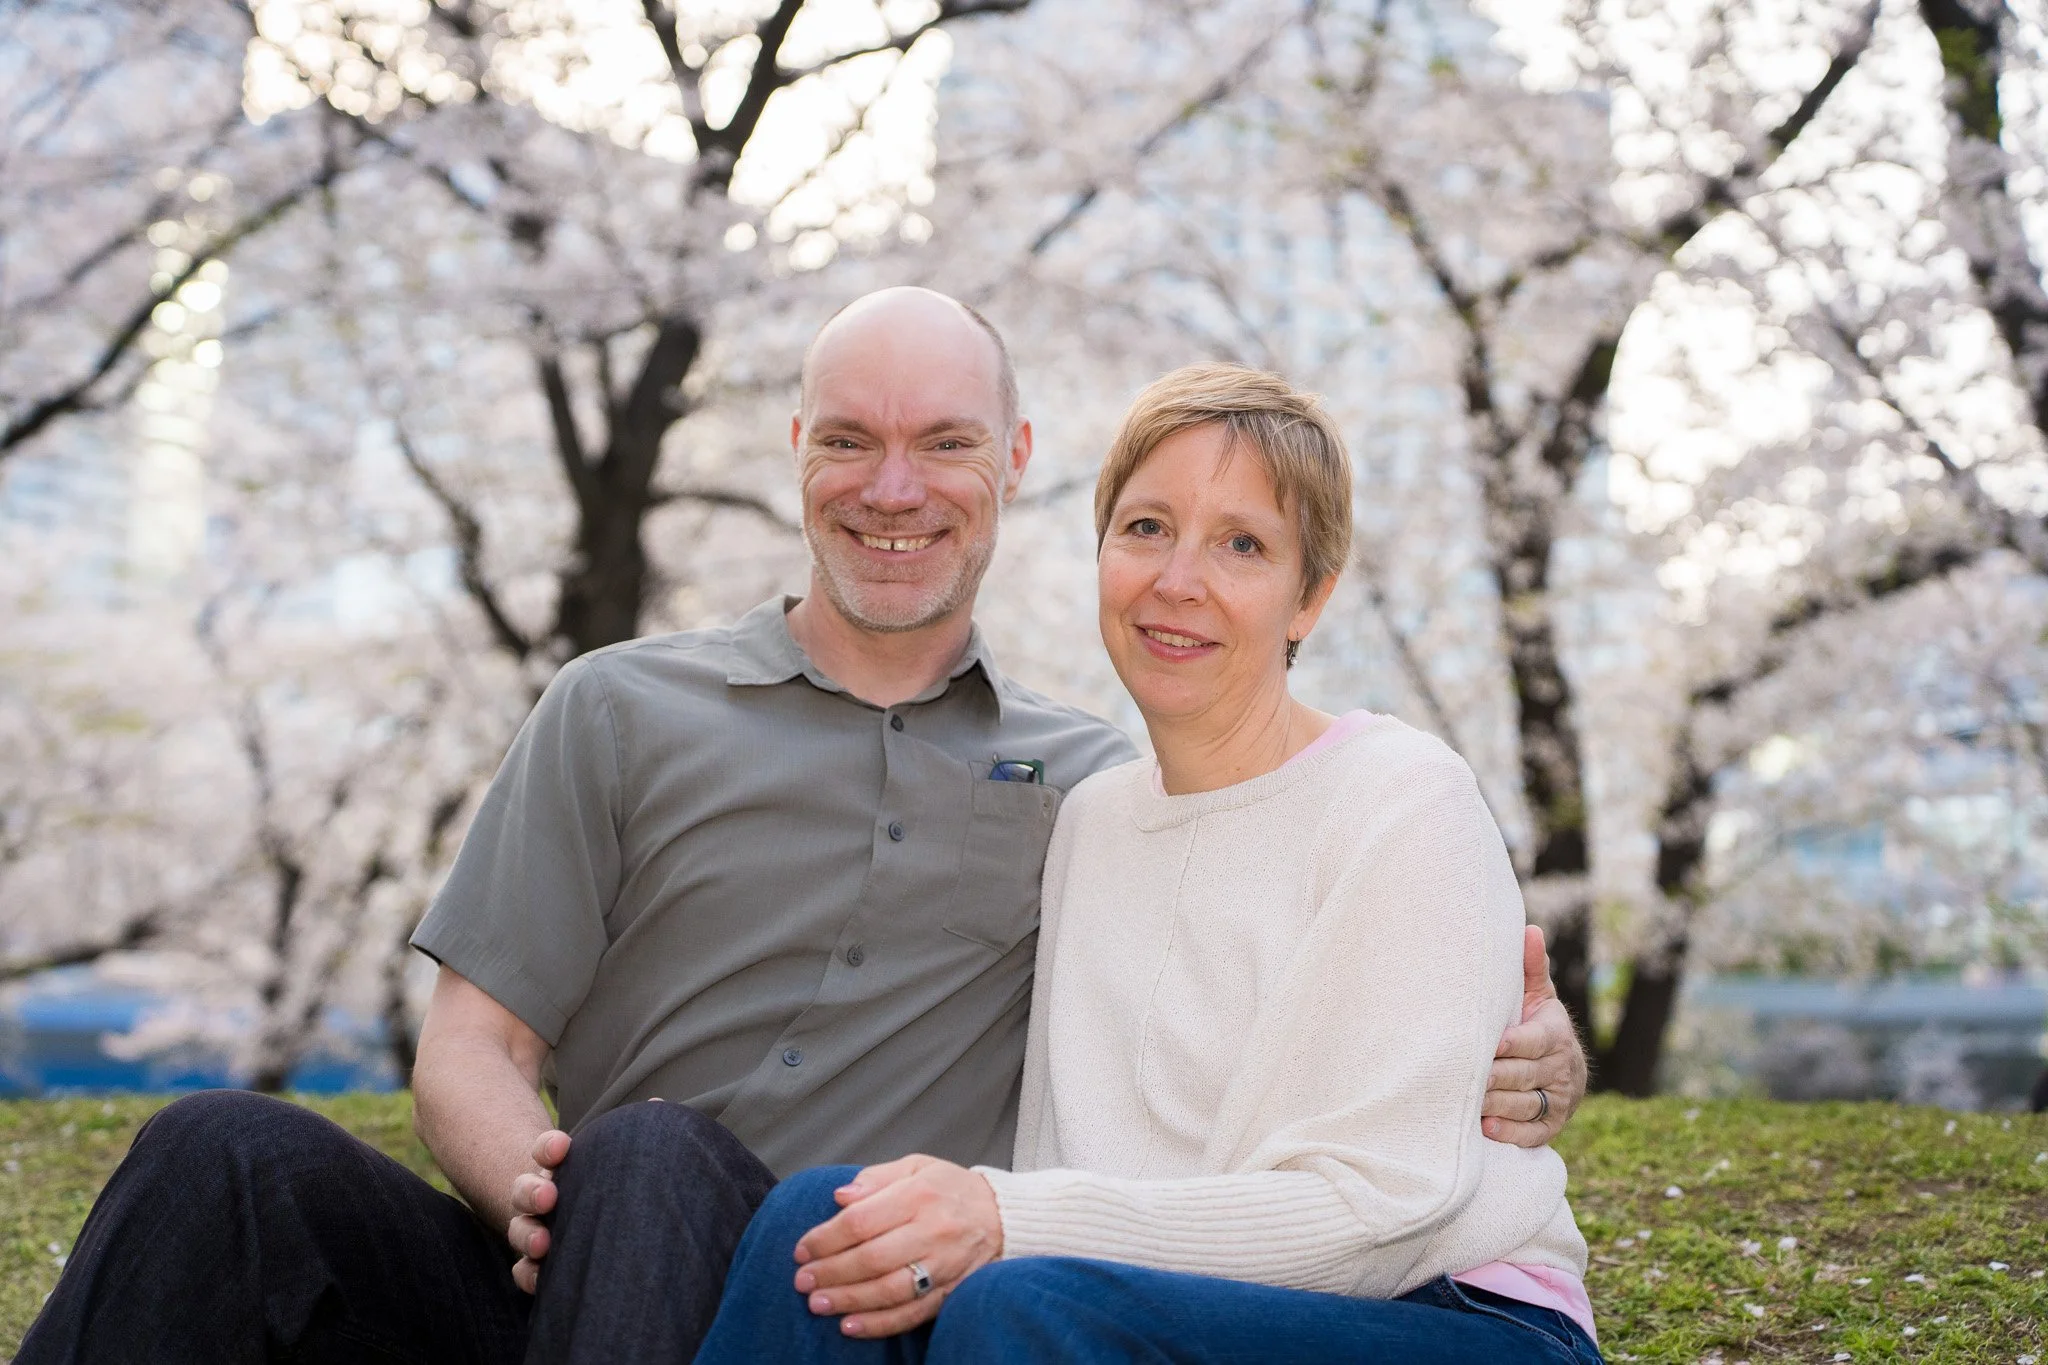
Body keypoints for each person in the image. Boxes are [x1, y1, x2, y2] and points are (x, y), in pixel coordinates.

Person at [17, 292, 1585, 1365]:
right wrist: (538, 1199)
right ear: (798, 453)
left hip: (830, 1293)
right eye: (851, 440)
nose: (893, 488)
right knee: (221, 1149)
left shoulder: (1082, 780)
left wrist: (1513, 1050)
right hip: (573, 1260)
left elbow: (1307, 902)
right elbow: (469, 1047)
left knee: (674, 1162)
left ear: (1012, 470)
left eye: (946, 445)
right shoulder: (622, 707)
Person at [692, 364, 1599, 1364]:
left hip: (1450, 1314)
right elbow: (1065, 1163)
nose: (1176, 582)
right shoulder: (1089, 822)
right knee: (821, 1218)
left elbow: (1376, 1217)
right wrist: (986, 1225)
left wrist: (1006, 1219)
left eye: (1241, 545)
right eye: (1146, 529)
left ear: (1309, 598)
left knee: (1020, 1306)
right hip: (1119, 1306)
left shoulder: (1400, 797)